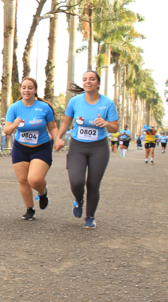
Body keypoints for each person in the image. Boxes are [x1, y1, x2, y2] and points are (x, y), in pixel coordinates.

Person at [54, 70, 118, 229]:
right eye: (84, 79)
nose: (87, 82)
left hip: (99, 147)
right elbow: (65, 123)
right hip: (78, 146)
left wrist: (106, 124)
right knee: (76, 181)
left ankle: (90, 217)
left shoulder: (107, 103)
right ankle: (79, 199)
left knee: (93, 183)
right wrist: (58, 138)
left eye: (91, 79)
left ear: (98, 83)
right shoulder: (75, 101)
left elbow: (115, 128)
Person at [4, 78, 59, 220]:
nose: (26, 91)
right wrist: (15, 124)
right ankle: (30, 209)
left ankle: (43, 192)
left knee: (34, 180)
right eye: (24, 88)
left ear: (35, 90)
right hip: (20, 148)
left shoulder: (44, 107)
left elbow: (52, 126)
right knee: (23, 180)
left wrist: (58, 139)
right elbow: (7, 131)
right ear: (21, 90)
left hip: (41, 148)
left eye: (30, 88)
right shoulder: (14, 108)